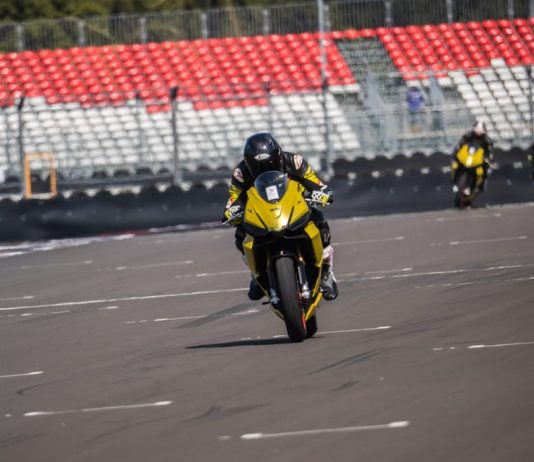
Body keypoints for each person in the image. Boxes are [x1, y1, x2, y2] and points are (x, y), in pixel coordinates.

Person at [223, 132, 338, 301]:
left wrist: (321, 192)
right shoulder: (241, 173)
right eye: (257, 167)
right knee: (241, 232)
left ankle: (326, 270)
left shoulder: (294, 162)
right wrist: (231, 211)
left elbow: (312, 180)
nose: (264, 170)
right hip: (261, 213)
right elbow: (234, 197)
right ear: (248, 163)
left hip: (294, 207)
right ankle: (255, 273)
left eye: (269, 164)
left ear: (278, 156)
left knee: (318, 219)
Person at [452, 120, 494, 192]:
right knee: (456, 165)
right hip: (467, 156)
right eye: (477, 130)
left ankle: (482, 183)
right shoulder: (468, 136)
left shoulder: (487, 140)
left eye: (480, 131)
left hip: (478, 159)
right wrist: (457, 152)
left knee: (486, 168)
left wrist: (487, 158)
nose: (478, 132)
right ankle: (455, 182)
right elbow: (460, 144)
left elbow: (489, 151)